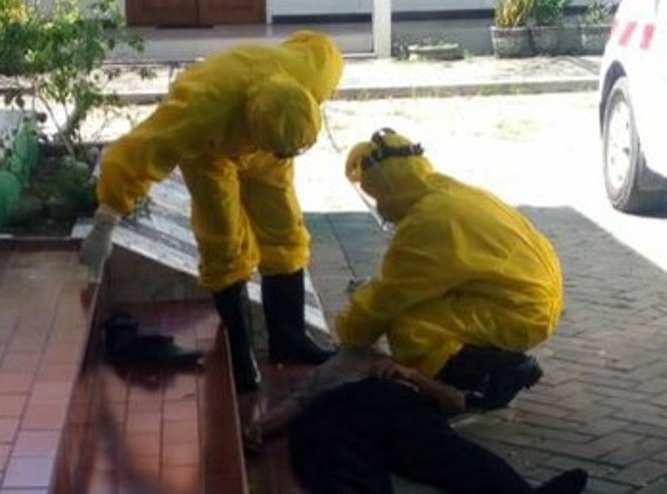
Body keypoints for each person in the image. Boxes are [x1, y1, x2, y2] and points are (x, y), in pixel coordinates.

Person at [79, 31, 343, 393]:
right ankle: (240, 352)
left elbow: (319, 45)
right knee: (223, 240)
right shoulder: (199, 112)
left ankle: (290, 339)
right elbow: (133, 155)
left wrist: (278, 151)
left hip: (265, 150)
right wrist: (105, 224)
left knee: (284, 229)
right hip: (210, 150)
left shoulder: (313, 74)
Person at [337, 128, 565, 409]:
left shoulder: (425, 222)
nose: (380, 207)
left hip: (519, 310)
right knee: (423, 309)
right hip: (526, 298)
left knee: (409, 328)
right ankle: (491, 365)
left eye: (378, 197)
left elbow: (389, 298)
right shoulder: (447, 191)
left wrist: (349, 338)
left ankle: (487, 378)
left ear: (390, 189)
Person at [244, 348, 588, 494]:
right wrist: (261, 426)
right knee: (335, 457)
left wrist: (411, 375)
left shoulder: (418, 356)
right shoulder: (344, 359)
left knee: (453, 454)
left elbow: (455, 403)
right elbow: (299, 402)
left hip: (402, 409)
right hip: (342, 409)